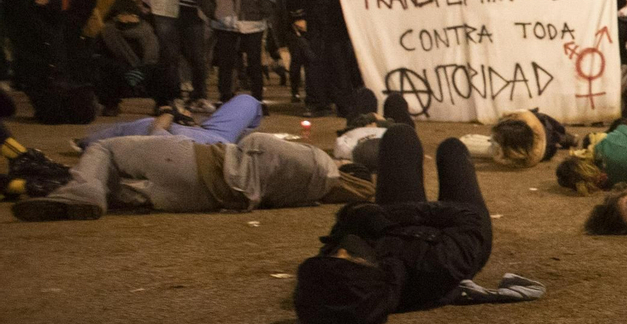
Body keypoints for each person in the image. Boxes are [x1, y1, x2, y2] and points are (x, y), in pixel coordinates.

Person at [294, 116, 535, 324]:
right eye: (348, 259)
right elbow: (468, 216)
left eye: (335, 256)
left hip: (397, 229)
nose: (341, 251)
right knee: (452, 150)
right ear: (371, 271)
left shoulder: (346, 269)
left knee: (399, 135)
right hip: (454, 229)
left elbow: (347, 218)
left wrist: (372, 217)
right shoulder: (441, 263)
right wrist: (393, 215)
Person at [11, 128, 370, 222]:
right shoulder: (309, 195)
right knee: (120, 187)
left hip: (204, 164)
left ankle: (84, 191)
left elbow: (260, 143)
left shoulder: (318, 165)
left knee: (106, 148)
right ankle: (87, 190)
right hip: (198, 198)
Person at [278, 0, 359, 119]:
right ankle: (317, 103)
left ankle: (342, 103)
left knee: (339, 63)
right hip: (311, 19)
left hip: (335, 21)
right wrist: (298, 16)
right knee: (314, 61)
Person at [75, 91, 262, 149]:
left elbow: (157, 131)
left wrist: (174, 115)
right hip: (217, 140)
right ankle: (87, 142)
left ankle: (86, 142)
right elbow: (159, 132)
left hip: (212, 138)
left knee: (248, 101)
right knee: (249, 101)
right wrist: (171, 113)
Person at [94, 0, 159, 115]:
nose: (128, 18)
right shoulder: (107, 33)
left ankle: (163, 104)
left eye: (132, 14)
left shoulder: (148, 32)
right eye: (123, 14)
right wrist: (123, 69)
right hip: (120, 75)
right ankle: (111, 105)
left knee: (165, 69)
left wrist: (142, 70)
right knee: (102, 69)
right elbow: (99, 57)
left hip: (144, 74)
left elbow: (156, 58)